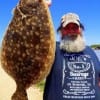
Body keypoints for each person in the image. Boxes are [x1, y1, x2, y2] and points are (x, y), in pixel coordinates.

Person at [43, 13, 100, 100]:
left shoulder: (91, 51)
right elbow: (33, 41)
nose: (71, 31)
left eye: (75, 27)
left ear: (81, 30)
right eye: (67, 28)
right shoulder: (52, 49)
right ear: (60, 31)